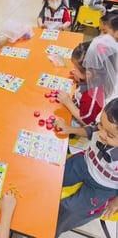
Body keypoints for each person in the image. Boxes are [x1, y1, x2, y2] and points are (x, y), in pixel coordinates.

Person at [54, 98, 118, 237]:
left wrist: (116, 203)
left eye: (110, 135)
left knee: (70, 210)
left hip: (104, 187)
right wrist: (69, 129)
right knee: (53, 176)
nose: (101, 134)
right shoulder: (103, 128)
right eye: (101, 124)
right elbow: (91, 131)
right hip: (85, 163)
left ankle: (51, 230)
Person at [56, 38, 117, 126]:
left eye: (76, 68)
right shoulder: (94, 76)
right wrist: (79, 77)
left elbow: (86, 121)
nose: (73, 69)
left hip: (78, 121)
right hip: (77, 104)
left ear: (89, 73)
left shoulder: (93, 96)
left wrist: (68, 103)